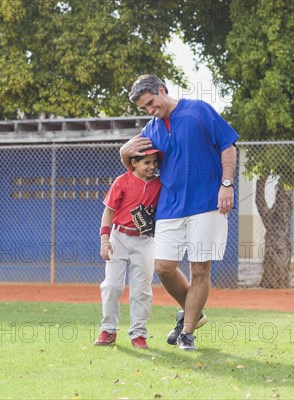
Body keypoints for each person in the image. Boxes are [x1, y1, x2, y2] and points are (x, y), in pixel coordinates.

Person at [120, 74, 239, 351]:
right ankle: (192, 314)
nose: (150, 110)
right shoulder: (151, 130)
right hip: (169, 206)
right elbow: (135, 166)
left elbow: (228, 147)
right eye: (144, 108)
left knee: (199, 269)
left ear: (161, 90)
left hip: (207, 202)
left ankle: (187, 332)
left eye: (151, 102)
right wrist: (123, 151)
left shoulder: (198, 110)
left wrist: (226, 184)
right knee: (163, 267)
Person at [94, 148, 162, 350]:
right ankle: (108, 330)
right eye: (146, 162)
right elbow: (108, 212)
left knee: (141, 290)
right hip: (119, 237)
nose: (151, 166)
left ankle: (139, 334)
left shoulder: (160, 184)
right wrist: (105, 240)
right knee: (112, 286)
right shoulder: (122, 181)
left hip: (145, 240)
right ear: (134, 163)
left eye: (154, 162)